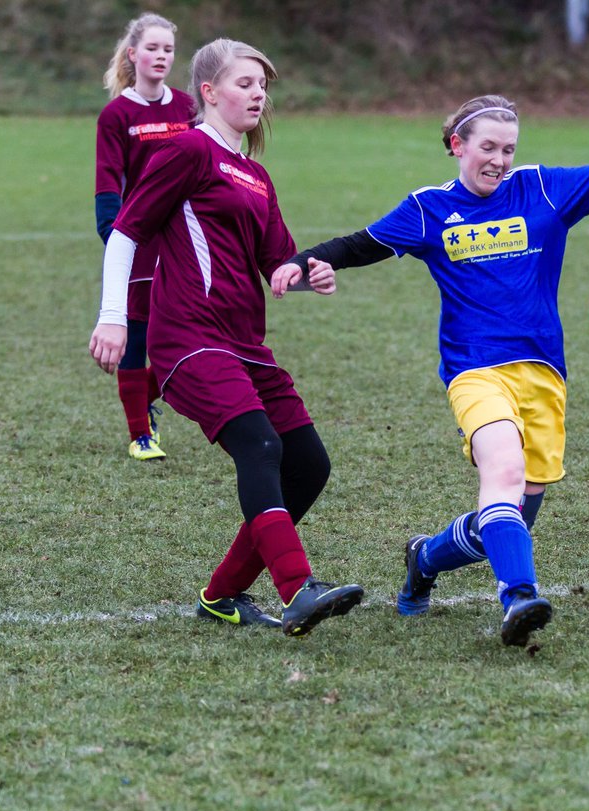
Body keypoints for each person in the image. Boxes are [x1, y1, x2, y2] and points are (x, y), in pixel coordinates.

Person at [271, 78, 589, 646]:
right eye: (488, 148)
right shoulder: (429, 209)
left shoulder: (543, 191)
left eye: (508, 149)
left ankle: (424, 558)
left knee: (511, 518)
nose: (500, 160)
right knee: (501, 475)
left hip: (543, 374)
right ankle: (519, 597)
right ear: (458, 144)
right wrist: (304, 262)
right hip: (474, 370)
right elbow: (358, 245)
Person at [89, 39, 364, 637]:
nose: (258, 93)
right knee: (260, 446)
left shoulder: (257, 175)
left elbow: (277, 263)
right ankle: (297, 590)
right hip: (187, 339)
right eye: (245, 83)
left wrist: (309, 272)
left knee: (309, 466)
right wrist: (113, 315)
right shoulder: (189, 150)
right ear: (209, 93)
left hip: (245, 344)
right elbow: (125, 233)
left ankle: (223, 595)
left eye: (263, 85)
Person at [94, 13, 196, 461]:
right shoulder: (117, 114)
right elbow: (107, 181)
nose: (161, 56)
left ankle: (148, 398)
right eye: (152, 48)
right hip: (139, 239)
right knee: (137, 336)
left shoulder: (188, 108)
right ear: (133, 54)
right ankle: (140, 433)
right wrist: (116, 235)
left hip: (187, 240)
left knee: (187, 336)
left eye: (168, 49)